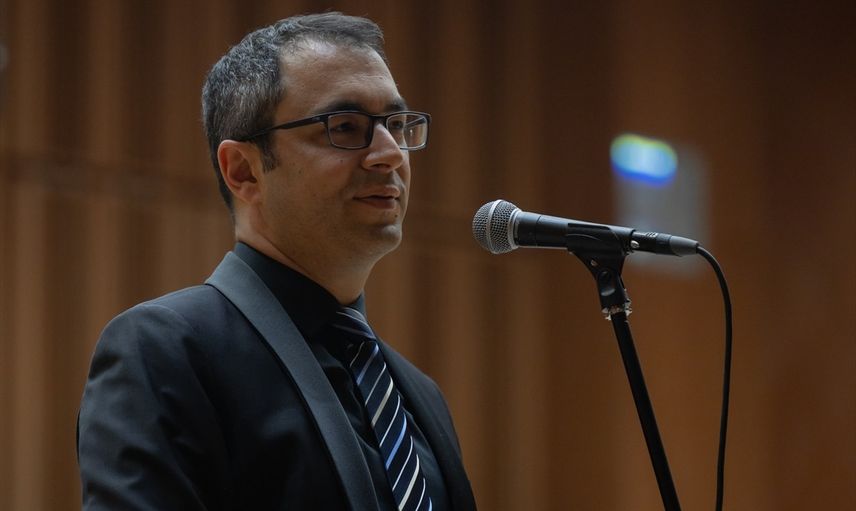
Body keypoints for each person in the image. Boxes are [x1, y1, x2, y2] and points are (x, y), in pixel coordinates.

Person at [77, 13, 477, 510]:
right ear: (244, 171)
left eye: (396, 125)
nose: (390, 153)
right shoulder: (166, 350)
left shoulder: (418, 393)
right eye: (345, 127)